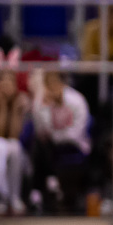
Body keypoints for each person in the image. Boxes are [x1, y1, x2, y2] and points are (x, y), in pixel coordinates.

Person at [29, 71, 90, 214]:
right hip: (51, 146)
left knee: (48, 147)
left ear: (62, 83)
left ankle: (48, 186)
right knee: (39, 145)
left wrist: (56, 136)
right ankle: (48, 186)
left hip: (75, 144)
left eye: (55, 83)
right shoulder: (42, 100)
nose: (52, 87)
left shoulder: (76, 100)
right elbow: (40, 130)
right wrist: (44, 107)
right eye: (48, 84)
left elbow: (77, 132)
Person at [0, 69, 29, 214]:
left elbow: (14, 135)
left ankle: (13, 197)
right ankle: (0, 195)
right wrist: (2, 106)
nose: (6, 84)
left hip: (16, 150)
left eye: (10, 81)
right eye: (2, 81)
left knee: (14, 147)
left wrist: (15, 110)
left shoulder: (20, 102)